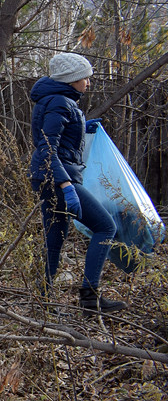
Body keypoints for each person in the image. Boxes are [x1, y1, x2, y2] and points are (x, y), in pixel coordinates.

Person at [29, 52, 126, 314]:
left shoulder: (56, 100)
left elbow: (53, 137)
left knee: (54, 239)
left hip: (47, 177)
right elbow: (48, 146)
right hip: (57, 178)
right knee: (106, 227)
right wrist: (66, 186)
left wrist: (81, 127)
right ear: (72, 79)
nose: (89, 82)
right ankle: (89, 299)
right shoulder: (60, 102)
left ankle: (43, 301)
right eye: (85, 77)